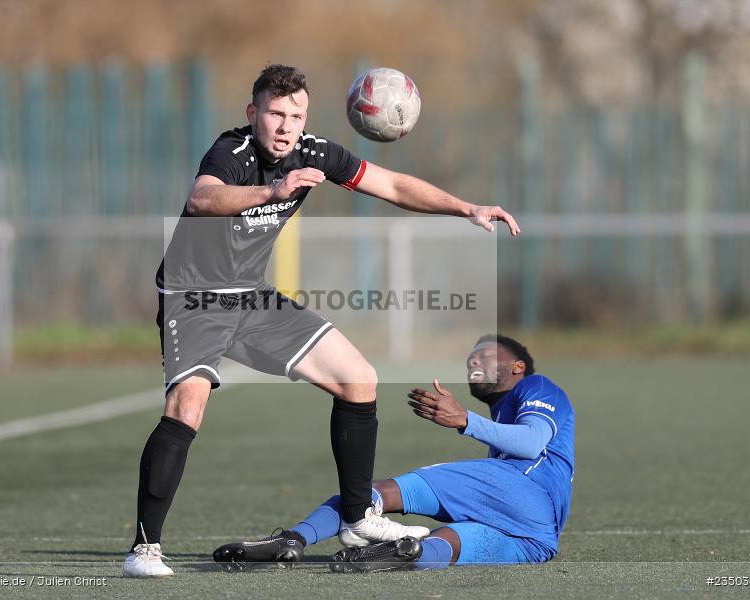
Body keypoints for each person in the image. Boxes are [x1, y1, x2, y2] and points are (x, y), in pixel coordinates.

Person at [122, 64, 521, 577]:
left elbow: (393, 185)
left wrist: (464, 207)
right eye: (275, 113)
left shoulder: (314, 153)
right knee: (187, 406)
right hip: (192, 296)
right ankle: (144, 549)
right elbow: (203, 198)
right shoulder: (232, 151)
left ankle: (357, 519)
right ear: (253, 114)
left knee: (359, 379)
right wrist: (273, 192)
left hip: (251, 297)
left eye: (296, 115)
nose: (286, 126)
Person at [213, 334, 575, 572]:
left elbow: (531, 443)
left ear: (518, 366)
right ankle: (399, 553)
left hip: (526, 490)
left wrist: (464, 419)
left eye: (484, 355)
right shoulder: (504, 412)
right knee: (444, 543)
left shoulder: (535, 386)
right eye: (469, 361)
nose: (473, 363)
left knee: (376, 492)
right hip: (539, 539)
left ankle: (297, 537)